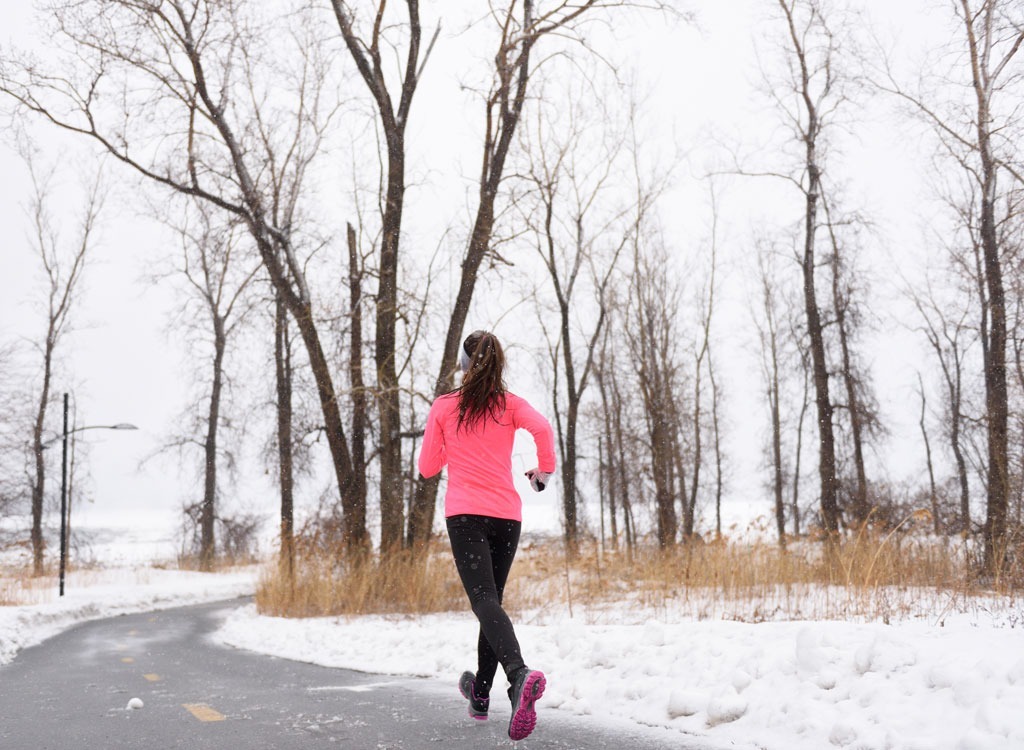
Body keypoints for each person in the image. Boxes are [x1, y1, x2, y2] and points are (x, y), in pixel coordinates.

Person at [418, 330, 556, 741]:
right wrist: (543, 472)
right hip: (506, 517)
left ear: (464, 365)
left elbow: (427, 468)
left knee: (483, 601)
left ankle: (518, 675)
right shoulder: (510, 404)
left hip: (466, 516)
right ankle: (480, 693)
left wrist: (452, 443)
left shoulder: (445, 406)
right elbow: (543, 429)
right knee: (491, 603)